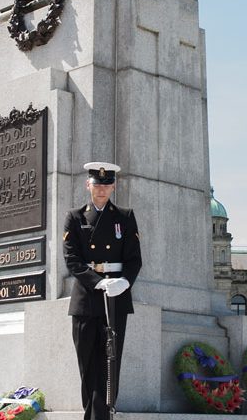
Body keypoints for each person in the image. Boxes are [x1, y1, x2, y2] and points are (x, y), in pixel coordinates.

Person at [62, 162, 143, 420]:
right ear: (88, 185)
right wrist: (97, 281)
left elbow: (134, 259)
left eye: (107, 185)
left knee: (110, 362)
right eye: (97, 185)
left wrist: (124, 282)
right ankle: (94, 413)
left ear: (113, 186)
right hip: (87, 297)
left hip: (115, 298)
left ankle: (102, 415)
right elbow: (72, 259)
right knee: (87, 362)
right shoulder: (75, 217)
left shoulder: (125, 217)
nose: (101, 190)